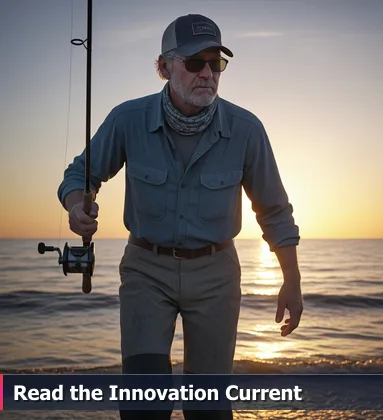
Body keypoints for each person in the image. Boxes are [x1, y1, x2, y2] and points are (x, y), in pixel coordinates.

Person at [57, 14, 303, 420]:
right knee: (143, 406)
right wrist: (76, 206)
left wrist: (291, 281)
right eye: (194, 62)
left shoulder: (247, 130)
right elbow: (80, 176)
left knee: (208, 409)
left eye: (216, 63)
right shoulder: (127, 119)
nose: (207, 73)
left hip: (217, 274)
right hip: (146, 270)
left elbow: (274, 211)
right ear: (164, 66)